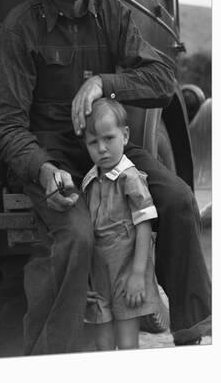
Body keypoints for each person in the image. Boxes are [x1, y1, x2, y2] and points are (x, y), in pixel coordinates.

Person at [0, 0, 211, 355]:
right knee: (76, 235)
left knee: (178, 197)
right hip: (51, 158)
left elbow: (163, 80)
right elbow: (4, 122)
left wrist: (105, 83)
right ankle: (52, 356)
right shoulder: (21, 26)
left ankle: (190, 331)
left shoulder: (113, 15)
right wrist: (44, 170)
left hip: (110, 149)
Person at [82, 98, 162, 351]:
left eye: (109, 138)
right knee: (102, 344)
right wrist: (84, 280)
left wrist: (138, 275)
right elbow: (85, 234)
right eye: (93, 142)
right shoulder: (89, 181)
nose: (102, 148)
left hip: (127, 273)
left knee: (127, 345)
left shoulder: (131, 178)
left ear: (125, 135)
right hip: (98, 277)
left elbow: (144, 225)